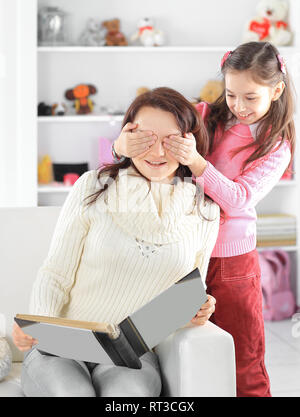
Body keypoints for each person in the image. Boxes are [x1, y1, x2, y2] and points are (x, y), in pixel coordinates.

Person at [113, 42, 295, 397]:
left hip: (231, 261)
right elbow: (135, 150)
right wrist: (122, 145)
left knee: (244, 360)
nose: (239, 107)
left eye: (250, 98)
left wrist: (198, 163)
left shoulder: (276, 146)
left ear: (276, 90)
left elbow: (239, 200)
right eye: (231, 95)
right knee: (166, 346)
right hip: (182, 250)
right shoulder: (203, 116)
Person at [12, 87, 220, 397]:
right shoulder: (93, 186)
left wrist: (199, 310)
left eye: (170, 141)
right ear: (126, 137)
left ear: (189, 142)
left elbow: (186, 294)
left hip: (131, 355)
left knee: (127, 396)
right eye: (145, 138)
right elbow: (56, 273)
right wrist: (42, 327)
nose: (158, 152)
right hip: (63, 345)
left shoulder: (205, 212)